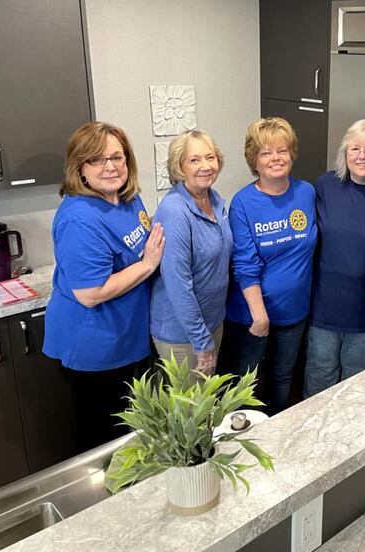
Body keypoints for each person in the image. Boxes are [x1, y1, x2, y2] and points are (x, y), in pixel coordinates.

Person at [43, 122, 165, 452]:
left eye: (117, 156)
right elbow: (90, 292)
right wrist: (147, 265)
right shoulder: (80, 218)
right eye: (97, 159)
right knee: (106, 443)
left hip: (128, 336)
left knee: (132, 434)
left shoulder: (127, 198)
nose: (110, 166)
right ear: (79, 167)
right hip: (96, 347)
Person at [220, 117, 317, 415]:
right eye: (266, 153)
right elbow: (245, 264)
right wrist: (259, 316)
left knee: (282, 379)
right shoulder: (243, 203)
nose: (276, 158)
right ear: (254, 160)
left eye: (282, 150)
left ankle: (276, 432)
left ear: (292, 153)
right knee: (242, 387)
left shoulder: (307, 193)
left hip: (294, 313)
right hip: (252, 317)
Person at [304, 119, 365, 397]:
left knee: (356, 382)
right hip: (325, 305)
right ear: (345, 154)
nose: (362, 156)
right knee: (320, 375)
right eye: (355, 149)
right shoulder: (325, 185)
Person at [150, 129, 232, 382]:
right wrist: (201, 340)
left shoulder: (215, 200)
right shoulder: (174, 210)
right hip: (183, 334)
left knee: (207, 404)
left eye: (210, 157)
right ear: (179, 167)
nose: (205, 166)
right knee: (191, 414)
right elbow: (178, 284)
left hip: (213, 321)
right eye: (194, 160)